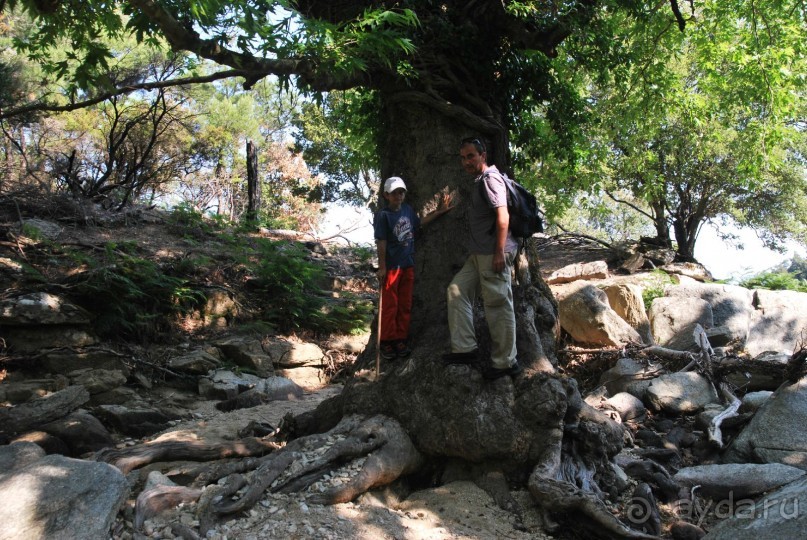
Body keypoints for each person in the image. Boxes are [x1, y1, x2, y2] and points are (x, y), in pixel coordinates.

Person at [443, 137, 522, 380]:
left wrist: (499, 252)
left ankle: (506, 363)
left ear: (483, 156)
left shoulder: (490, 179)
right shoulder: (481, 180)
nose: (466, 161)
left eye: (471, 156)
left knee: (497, 305)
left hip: (494, 253)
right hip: (480, 255)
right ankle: (465, 348)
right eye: (463, 157)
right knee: (457, 290)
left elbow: (503, 217)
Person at [374, 176, 453, 359]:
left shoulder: (408, 210)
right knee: (390, 306)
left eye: (401, 192)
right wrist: (383, 267)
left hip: (407, 265)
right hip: (392, 267)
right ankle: (387, 341)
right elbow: (381, 242)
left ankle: (400, 339)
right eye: (394, 193)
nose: (399, 196)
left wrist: (439, 212)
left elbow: (420, 223)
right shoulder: (383, 216)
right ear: (386, 195)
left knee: (405, 304)